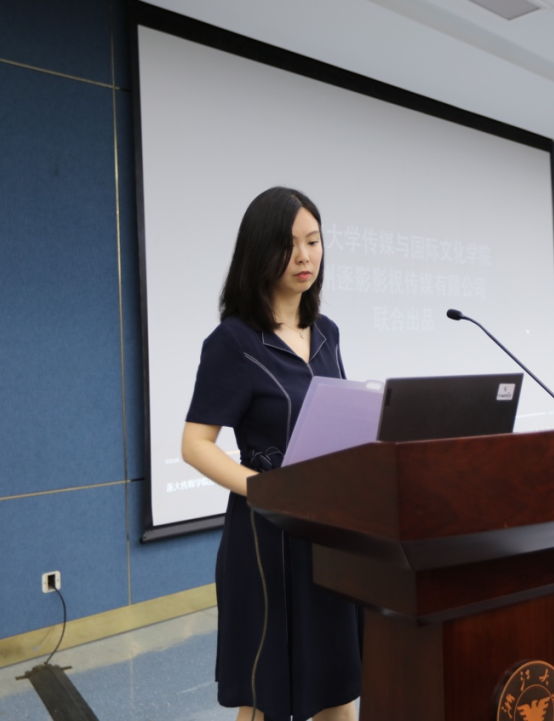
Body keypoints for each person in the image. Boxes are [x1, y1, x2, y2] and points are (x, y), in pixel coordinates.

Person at [182, 187, 361, 721]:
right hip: (267, 537)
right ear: (260, 251)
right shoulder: (233, 341)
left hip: (330, 531)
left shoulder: (327, 333)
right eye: (289, 245)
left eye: (313, 241)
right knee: (267, 696)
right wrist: (266, 490)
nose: (305, 256)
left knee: (337, 687)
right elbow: (195, 444)